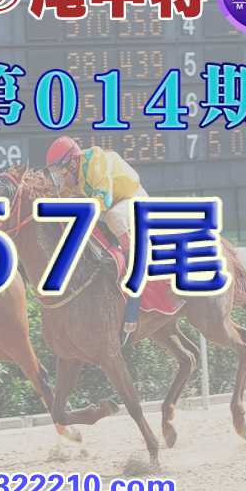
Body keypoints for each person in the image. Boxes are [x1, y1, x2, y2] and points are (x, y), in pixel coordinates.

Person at [45, 136, 147, 342]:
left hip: (131, 198)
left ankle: (135, 267)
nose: (59, 176)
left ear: (73, 162)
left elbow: (103, 201)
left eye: (60, 170)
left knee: (113, 217)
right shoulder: (72, 175)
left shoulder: (96, 163)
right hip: (111, 203)